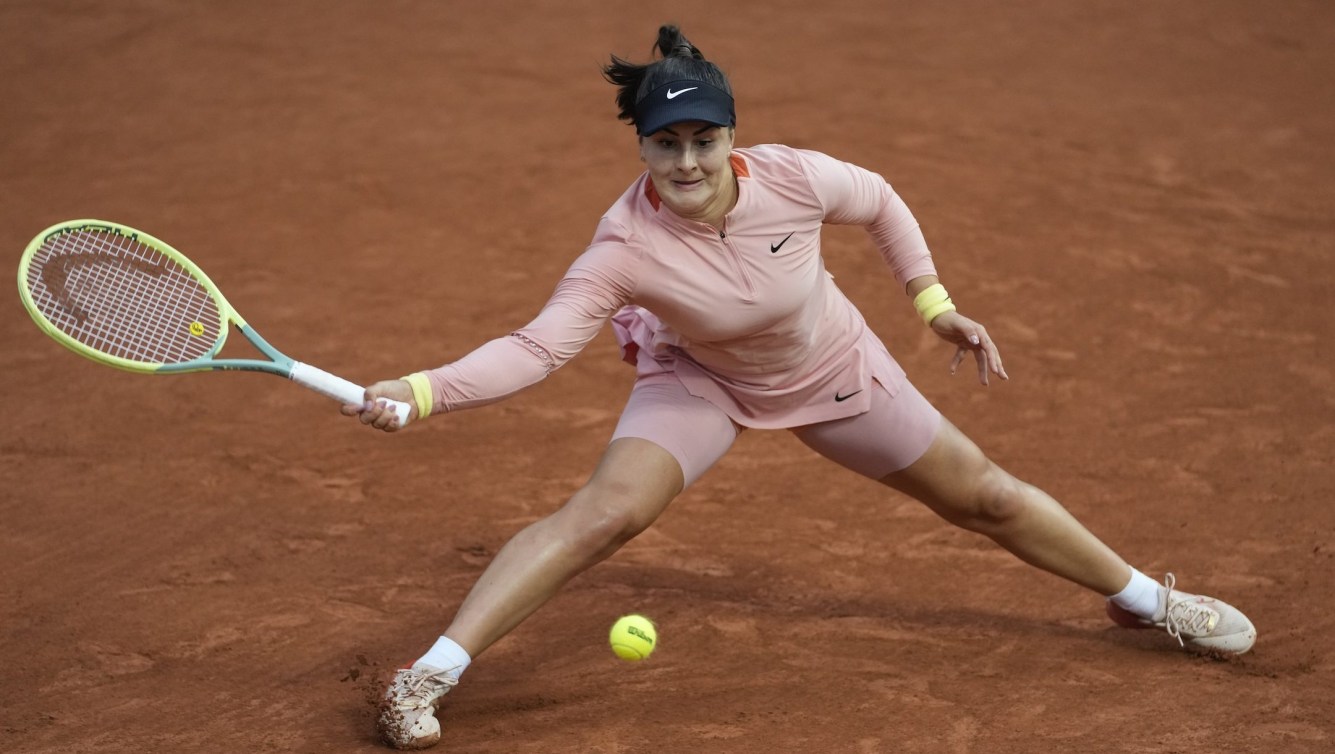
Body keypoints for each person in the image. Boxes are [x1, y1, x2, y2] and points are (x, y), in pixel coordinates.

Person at [345, 25, 1256, 751]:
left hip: (830, 364)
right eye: (667, 145)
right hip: (698, 380)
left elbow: (880, 202)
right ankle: (428, 675)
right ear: (643, 148)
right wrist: (424, 391)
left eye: (705, 140)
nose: (688, 162)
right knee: (602, 517)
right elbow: (537, 349)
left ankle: (1147, 601)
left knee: (983, 496)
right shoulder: (621, 249)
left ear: (733, 138)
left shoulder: (793, 177)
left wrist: (932, 302)